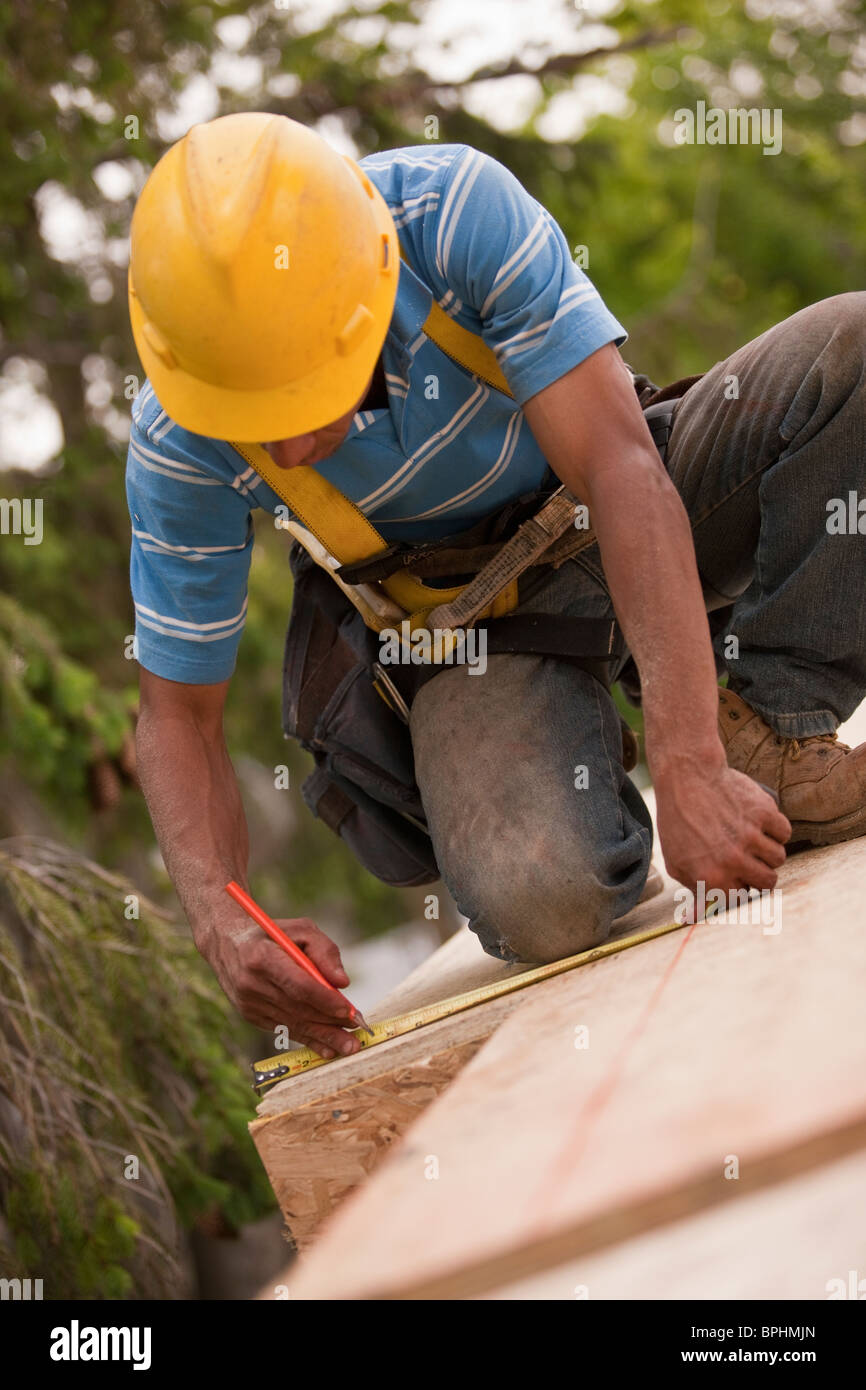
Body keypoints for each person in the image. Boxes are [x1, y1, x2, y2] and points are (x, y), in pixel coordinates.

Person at [126, 112, 866, 1059]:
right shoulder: (176, 438)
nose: (285, 449)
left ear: (365, 294)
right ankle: (601, 806)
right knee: (543, 899)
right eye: (250, 418)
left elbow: (623, 473)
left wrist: (689, 762)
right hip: (482, 631)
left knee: (850, 357)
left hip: (621, 500)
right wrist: (221, 921)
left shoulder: (452, 213)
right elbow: (176, 717)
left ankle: (770, 729)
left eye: (308, 398)